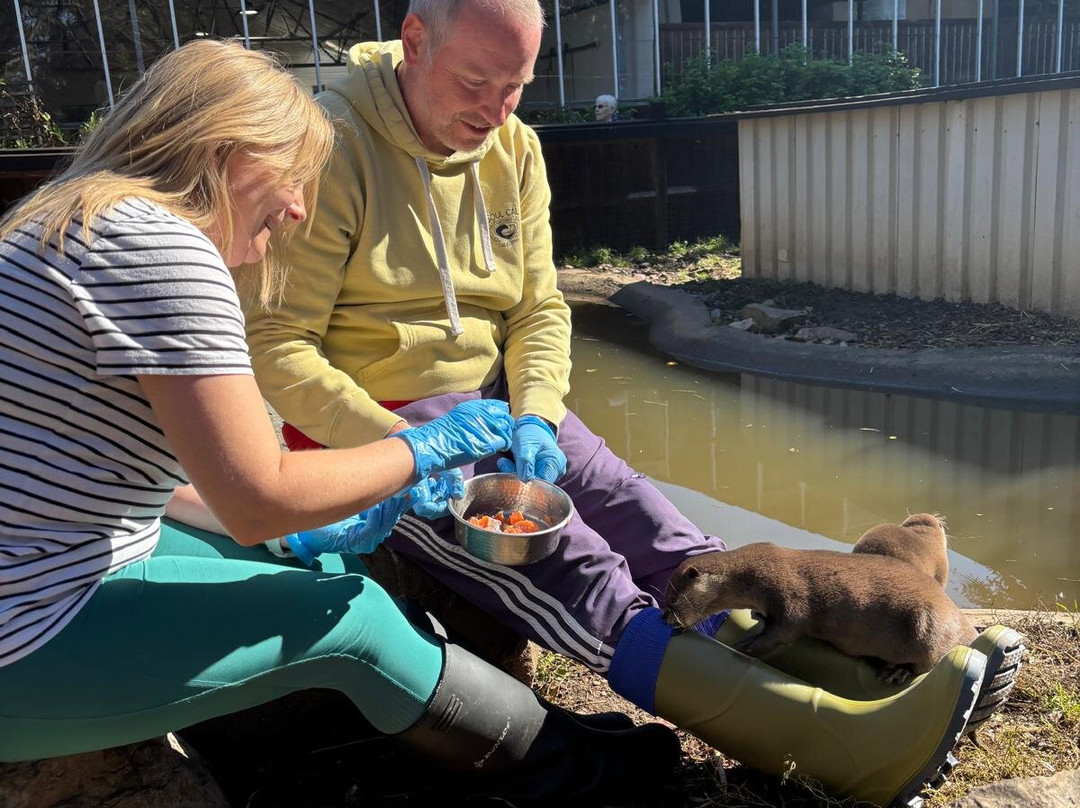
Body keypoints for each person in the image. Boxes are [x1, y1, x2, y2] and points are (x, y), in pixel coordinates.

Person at [244, 2, 1023, 805]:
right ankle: (818, 739)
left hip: (498, 398)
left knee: (643, 512)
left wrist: (540, 414)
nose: (495, 110)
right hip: (377, 422)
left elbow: (539, 309)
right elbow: (276, 348)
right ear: (414, 40)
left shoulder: (512, 146)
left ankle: (847, 677)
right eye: (476, 82)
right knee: (569, 561)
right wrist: (410, 454)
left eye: (515, 87)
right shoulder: (328, 146)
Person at [0, 39, 687, 803]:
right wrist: (424, 450)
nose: (297, 207)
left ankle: (439, 734)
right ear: (228, 152)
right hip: (26, 640)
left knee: (309, 563)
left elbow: (146, 483)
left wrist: (293, 534)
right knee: (355, 620)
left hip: (45, 571)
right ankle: (565, 770)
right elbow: (260, 494)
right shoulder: (164, 251)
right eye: (291, 176)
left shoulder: (68, 220)